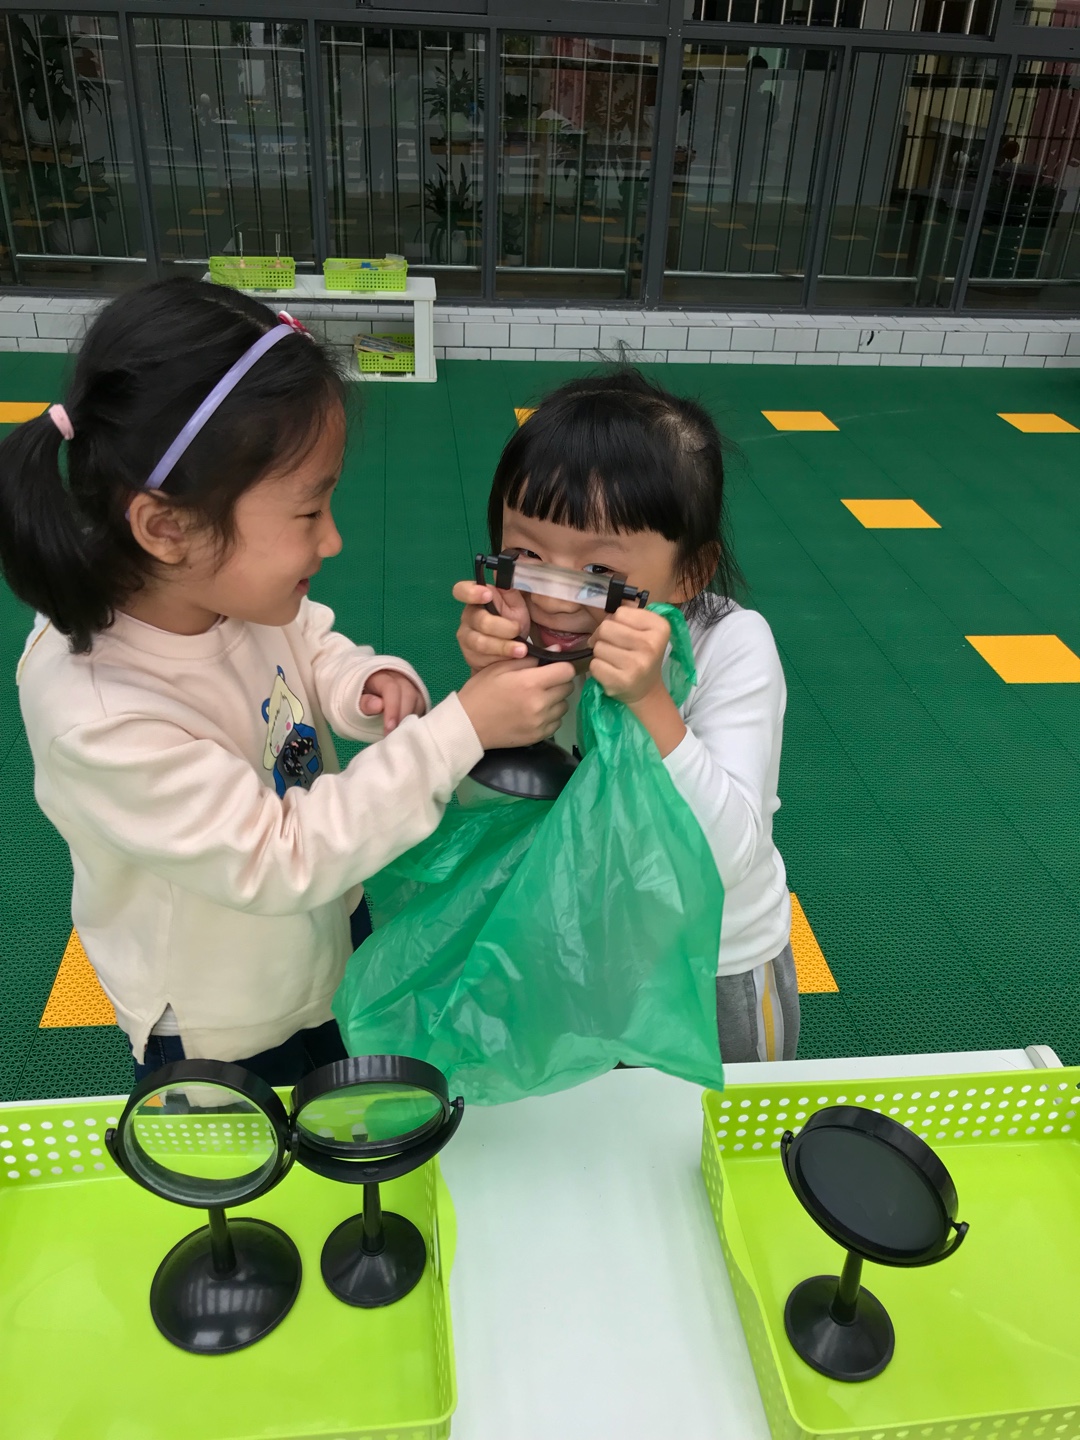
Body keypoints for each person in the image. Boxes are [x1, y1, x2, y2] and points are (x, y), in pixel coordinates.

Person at [0, 278, 574, 1086]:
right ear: (166, 527)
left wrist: (361, 682)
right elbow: (278, 855)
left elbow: (308, 640)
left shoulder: (225, 594)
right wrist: (459, 732)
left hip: (327, 936)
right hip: (223, 1018)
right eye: (308, 513)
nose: (332, 540)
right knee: (263, 1152)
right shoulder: (98, 713)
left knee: (353, 1104)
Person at [454, 368, 794, 1064]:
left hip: (712, 964)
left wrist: (649, 701)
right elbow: (486, 805)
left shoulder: (733, 645)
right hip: (582, 946)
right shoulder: (538, 638)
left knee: (709, 1124)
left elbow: (725, 856)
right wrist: (490, 691)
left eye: (598, 575)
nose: (555, 599)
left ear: (691, 571)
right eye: (526, 557)